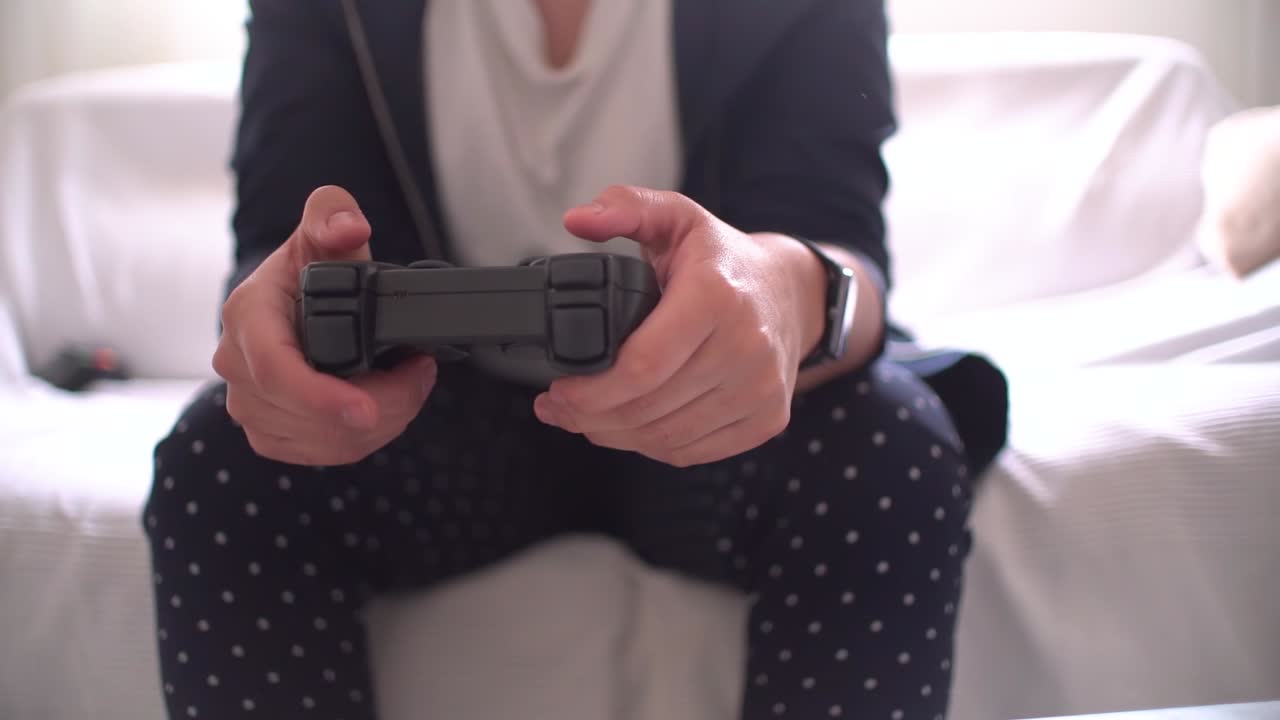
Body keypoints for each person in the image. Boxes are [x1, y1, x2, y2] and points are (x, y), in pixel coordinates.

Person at [143, 0, 1008, 718]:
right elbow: (278, 241)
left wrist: (786, 292)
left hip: (712, 422)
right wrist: (278, 329)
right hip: (429, 421)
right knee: (221, 457)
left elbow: (844, 247)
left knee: (889, 444)